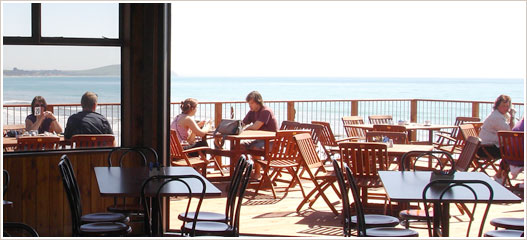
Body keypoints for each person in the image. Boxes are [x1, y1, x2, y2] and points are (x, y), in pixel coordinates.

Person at [478, 94, 516, 184]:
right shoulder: (496, 117)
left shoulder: (500, 115)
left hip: (490, 146)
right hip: (485, 148)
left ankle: (501, 174)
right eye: (503, 106)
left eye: (507, 106)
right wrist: (513, 116)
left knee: (512, 151)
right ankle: (500, 175)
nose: (506, 108)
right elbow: (510, 130)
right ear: (497, 106)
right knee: (512, 153)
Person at [241, 91, 278, 179]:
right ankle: (248, 169)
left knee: (255, 148)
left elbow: (255, 126)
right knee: (239, 146)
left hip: (271, 142)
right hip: (259, 140)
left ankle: (257, 173)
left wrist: (244, 129)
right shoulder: (252, 112)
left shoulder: (266, 111)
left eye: (252, 103)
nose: (250, 105)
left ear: (258, 102)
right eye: (249, 103)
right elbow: (242, 123)